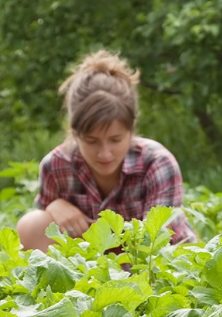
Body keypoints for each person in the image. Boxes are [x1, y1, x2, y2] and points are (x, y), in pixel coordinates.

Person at [16, 50, 197, 251]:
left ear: (131, 128)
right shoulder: (56, 166)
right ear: (74, 132)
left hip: (156, 267)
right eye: (92, 141)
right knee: (32, 224)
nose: (105, 153)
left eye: (115, 140)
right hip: (91, 271)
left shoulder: (157, 163)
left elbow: (156, 242)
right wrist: (53, 205)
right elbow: (44, 237)